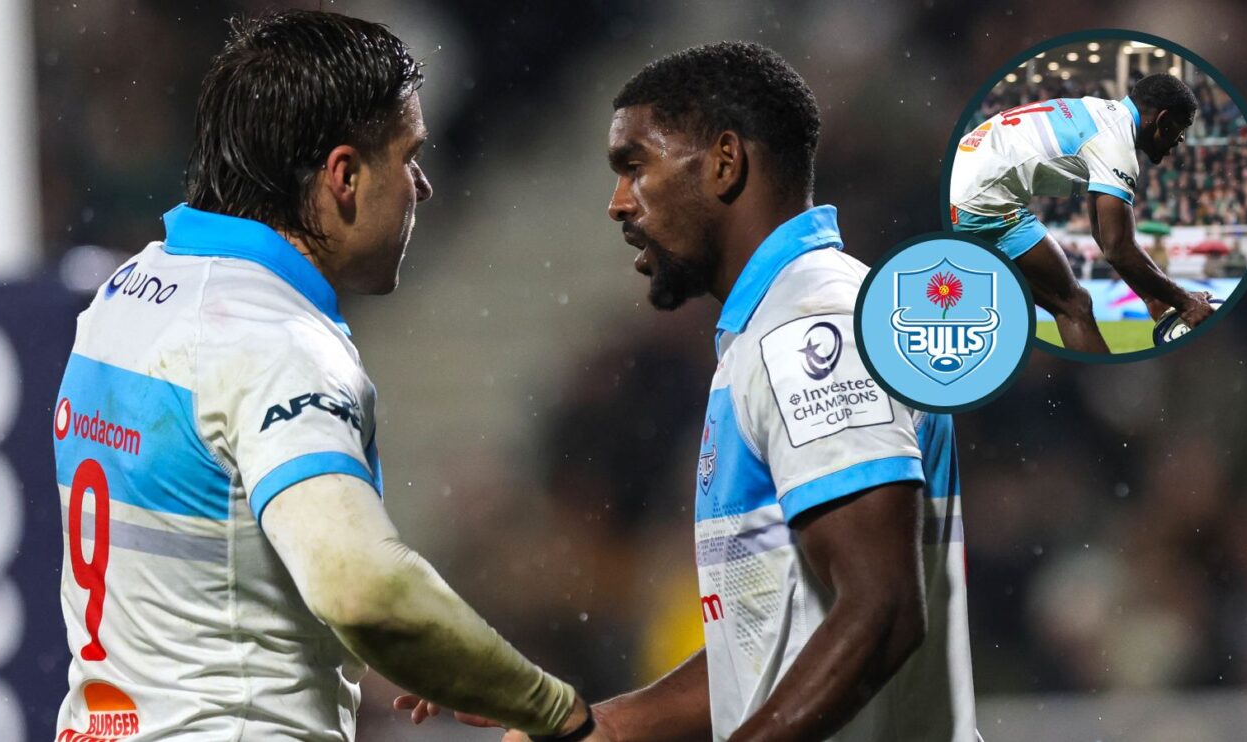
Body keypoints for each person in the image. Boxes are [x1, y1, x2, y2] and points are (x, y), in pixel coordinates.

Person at [51, 10, 602, 741]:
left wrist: (419, 647)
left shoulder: (130, 293)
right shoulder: (276, 341)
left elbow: (218, 558)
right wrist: (547, 707)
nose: (423, 186)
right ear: (344, 175)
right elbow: (361, 585)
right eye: (408, 157)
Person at [407, 41, 978, 742]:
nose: (618, 203)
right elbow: (770, 652)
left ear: (724, 162)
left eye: (635, 166)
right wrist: (594, 728)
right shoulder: (775, 329)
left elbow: (882, 611)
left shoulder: (811, 329)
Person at [949, 72, 1213, 353]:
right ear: (1162, 119)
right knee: (1074, 306)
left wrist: (1155, 300)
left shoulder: (1098, 112)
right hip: (977, 201)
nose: (1181, 139)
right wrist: (1186, 303)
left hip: (960, 178)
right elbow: (1118, 248)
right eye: (1181, 127)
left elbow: (1101, 234)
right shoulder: (1116, 145)